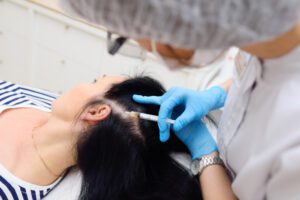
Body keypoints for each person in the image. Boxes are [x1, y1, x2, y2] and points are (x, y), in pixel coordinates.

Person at [60, 0, 300, 199]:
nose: (148, 48)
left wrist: (206, 155)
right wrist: (217, 94)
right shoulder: (267, 28)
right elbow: (260, 72)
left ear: (186, 17)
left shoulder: (293, 148)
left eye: (130, 33)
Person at [0, 76, 233, 200]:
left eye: (94, 82)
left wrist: (205, 153)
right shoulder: (41, 103)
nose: (82, 83)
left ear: (95, 112)